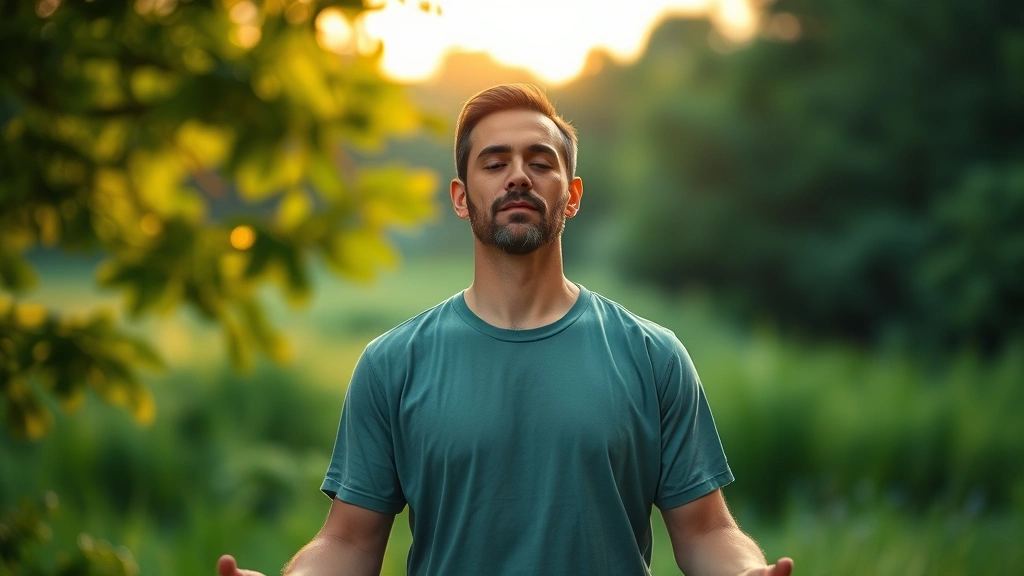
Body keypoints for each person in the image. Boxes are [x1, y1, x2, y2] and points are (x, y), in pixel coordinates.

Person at [217, 84, 793, 576]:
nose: (518, 176)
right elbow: (348, 540)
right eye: (495, 163)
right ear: (462, 198)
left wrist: (745, 571)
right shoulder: (393, 363)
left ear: (571, 195)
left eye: (540, 162)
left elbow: (704, 529)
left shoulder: (652, 356)